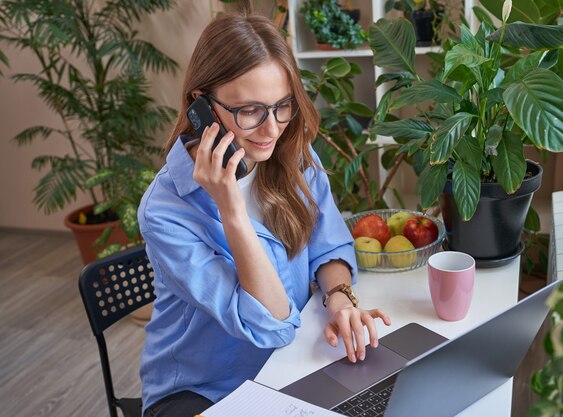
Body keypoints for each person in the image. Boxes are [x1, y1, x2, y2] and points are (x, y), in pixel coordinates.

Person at [138, 6, 391, 417]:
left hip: (290, 368)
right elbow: (269, 325)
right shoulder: (165, 211)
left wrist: (340, 300)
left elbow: (327, 246)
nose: (272, 129)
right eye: (250, 111)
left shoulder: (294, 155)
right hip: (203, 392)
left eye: (282, 106)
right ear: (201, 108)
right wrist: (231, 208)